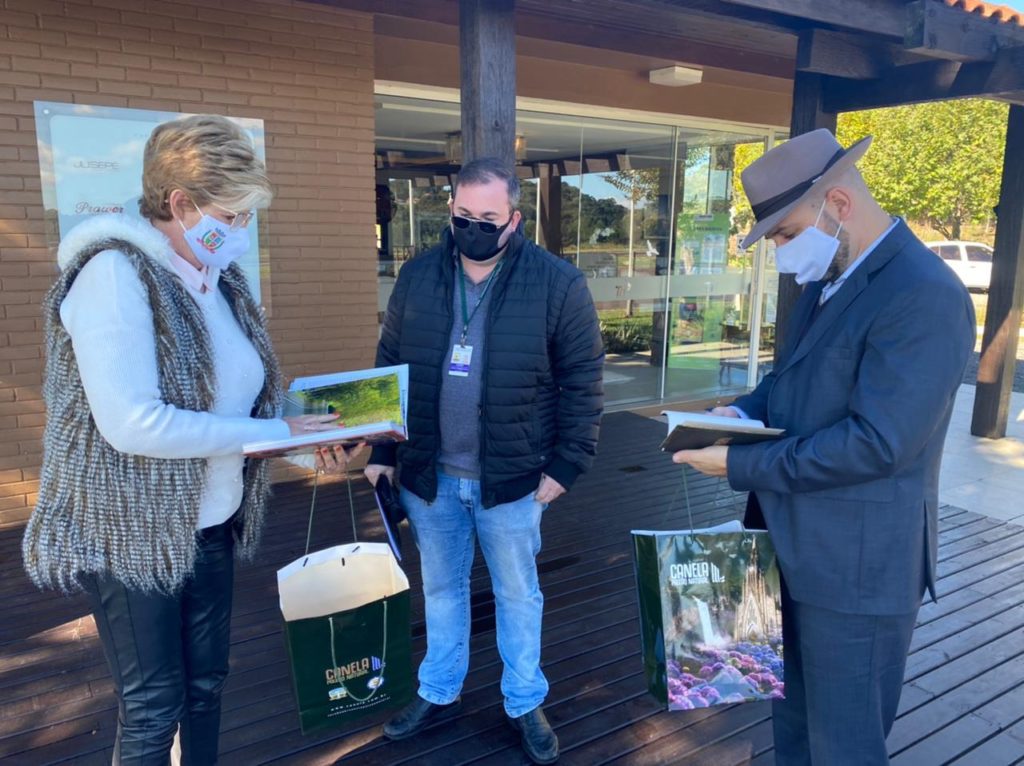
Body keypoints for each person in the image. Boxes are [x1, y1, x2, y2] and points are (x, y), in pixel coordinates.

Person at [21, 114, 356, 765]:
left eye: (247, 215)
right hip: (132, 530)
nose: (241, 230)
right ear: (179, 203)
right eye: (231, 215)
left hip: (211, 522)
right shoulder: (114, 275)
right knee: (153, 707)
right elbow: (133, 423)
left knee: (206, 687)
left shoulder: (217, 280)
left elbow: (241, 407)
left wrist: (304, 439)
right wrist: (276, 431)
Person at [672, 129, 974, 765]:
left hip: (858, 572)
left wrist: (739, 461)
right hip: (789, 550)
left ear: (838, 203)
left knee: (844, 746)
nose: (781, 253)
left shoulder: (925, 293)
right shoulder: (827, 279)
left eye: (785, 234)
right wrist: (740, 414)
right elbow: (787, 382)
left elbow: (879, 444)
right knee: (794, 730)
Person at [364, 156, 604, 765]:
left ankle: (524, 700)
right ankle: (438, 688)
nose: (473, 228)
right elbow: (388, 364)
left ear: (514, 219)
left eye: (487, 219)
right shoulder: (418, 276)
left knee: (517, 594)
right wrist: (382, 449)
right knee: (442, 589)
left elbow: (583, 382)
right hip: (430, 475)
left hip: (513, 478)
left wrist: (566, 466)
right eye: (463, 215)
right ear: (451, 211)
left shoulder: (557, 283)